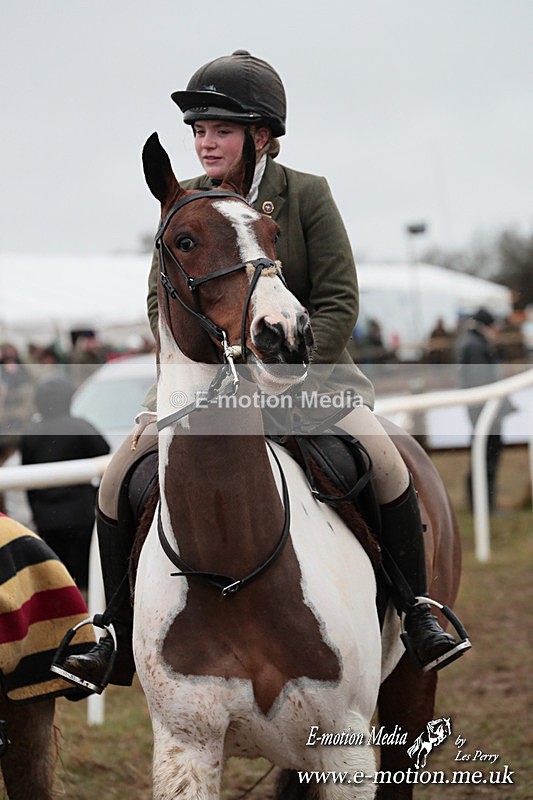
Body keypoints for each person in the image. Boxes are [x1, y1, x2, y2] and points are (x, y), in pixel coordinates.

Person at [57, 50, 468, 691]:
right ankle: (112, 631)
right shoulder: (184, 202)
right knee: (117, 479)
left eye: (219, 129)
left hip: (307, 385)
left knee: (387, 463)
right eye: (197, 130)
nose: (204, 142)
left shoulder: (305, 195)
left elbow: (338, 299)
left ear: (261, 135)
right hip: (200, 392)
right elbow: (157, 297)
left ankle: (417, 610)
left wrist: (282, 368)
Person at [20, 377, 110, 589]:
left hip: (47, 518)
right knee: (87, 576)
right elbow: (104, 455)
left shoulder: (31, 433)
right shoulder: (80, 427)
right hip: (81, 516)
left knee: (57, 575)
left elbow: (26, 477)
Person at [456, 308, 514, 512]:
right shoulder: (475, 346)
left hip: (482, 410)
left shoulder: (472, 342)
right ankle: (484, 506)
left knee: (483, 457)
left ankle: (482, 504)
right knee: (486, 459)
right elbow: (483, 381)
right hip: (484, 410)